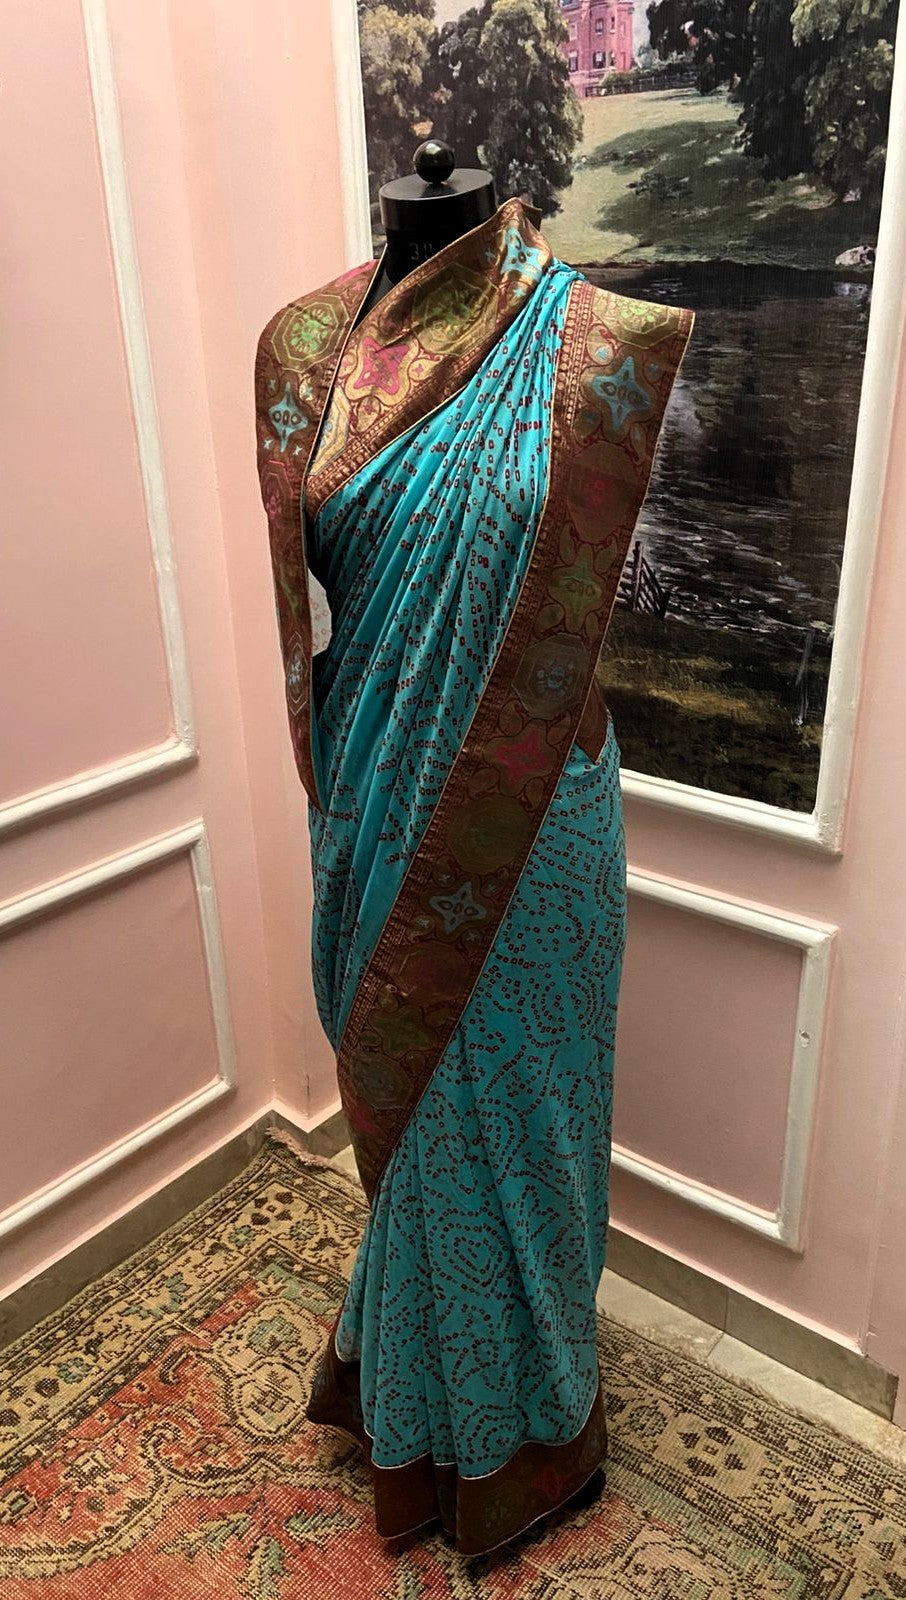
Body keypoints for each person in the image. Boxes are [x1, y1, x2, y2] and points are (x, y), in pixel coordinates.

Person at [255, 195, 693, 1556]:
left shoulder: (594, 336)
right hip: (374, 798)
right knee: (420, 1136)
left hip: (539, 814)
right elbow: (302, 632)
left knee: (526, 1129)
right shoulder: (300, 350)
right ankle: (416, 1405)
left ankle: (535, 1431)